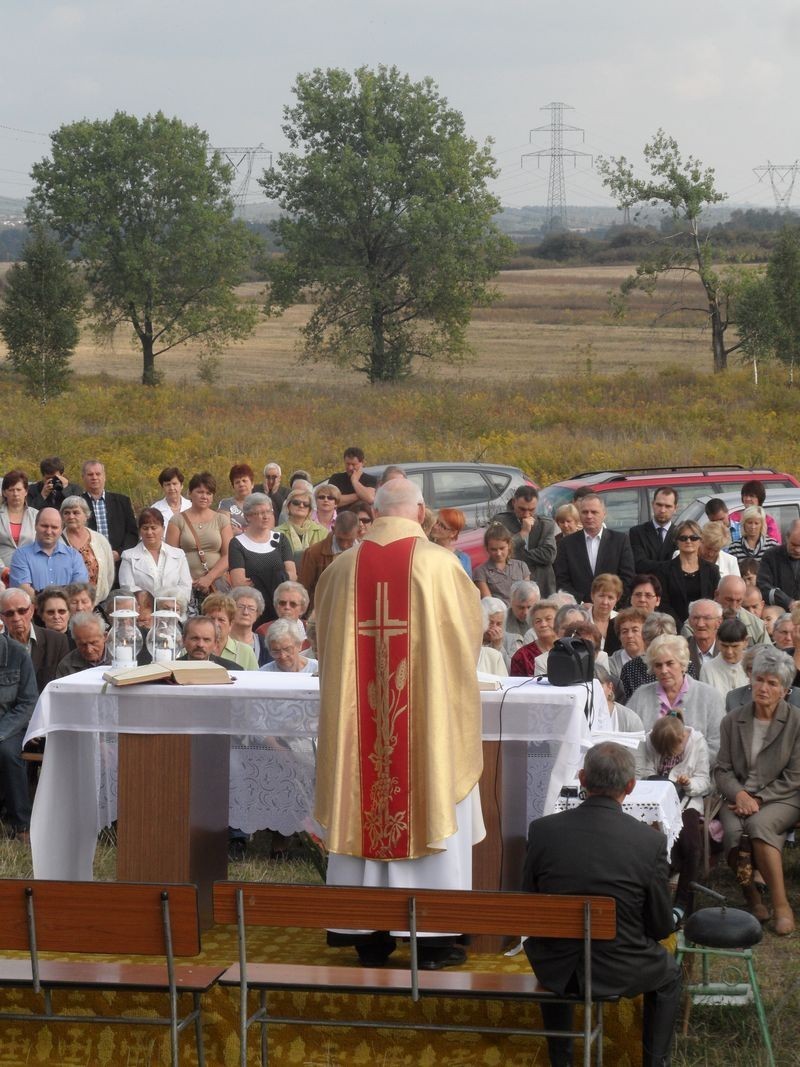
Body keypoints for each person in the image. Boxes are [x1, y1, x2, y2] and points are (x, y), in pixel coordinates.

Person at [314, 477, 483, 970]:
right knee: (427, 790)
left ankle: (365, 935)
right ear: (420, 511)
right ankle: (430, 939)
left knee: (359, 792)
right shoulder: (440, 565)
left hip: (358, 724)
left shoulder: (342, 568)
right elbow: (464, 643)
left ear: (377, 511)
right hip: (423, 726)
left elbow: (325, 646)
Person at [522, 741, 680, 1067]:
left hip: (557, 969)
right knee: (669, 974)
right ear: (631, 786)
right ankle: (655, 1062)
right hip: (621, 967)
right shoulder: (649, 841)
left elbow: (530, 905)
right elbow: (661, 925)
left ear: (581, 778)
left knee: (554, 946)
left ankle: (561, 1060)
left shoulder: (543, 831)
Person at [715, 646, 800, 935]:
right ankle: (753, 898)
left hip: (783, 796)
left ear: (785, 690)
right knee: (733, 834)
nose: (763, 687)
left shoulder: (797, 722)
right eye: (759, 679)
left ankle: (781, 905)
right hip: (737, 796)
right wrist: (739, 794)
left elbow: (795, 775)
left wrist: (758, 798)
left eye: (772, 683)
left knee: (760, 826)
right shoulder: (732, 719)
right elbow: (722, 769)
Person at [638, 712, 711, 920]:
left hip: (687, 803)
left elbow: (705, 781)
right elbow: (644, 772)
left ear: (682, 740)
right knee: (656, 847)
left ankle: (682, 905)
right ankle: (652, 901)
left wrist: (688, 784)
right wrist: (662, 783)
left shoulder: (697, 742)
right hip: (656, 803)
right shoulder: (650, 740)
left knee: (692, 846)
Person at [628, 634, 725, 763]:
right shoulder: (640, 696)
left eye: (670, 663)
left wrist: (686, 769)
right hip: (648, 776)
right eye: (658, 665)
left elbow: (717, 745)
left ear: (682, 664)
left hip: (697, 776)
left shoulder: (710, 696)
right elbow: (630, 741)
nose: (664, 670)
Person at [165, 472, 233, 608]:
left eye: (208, 493)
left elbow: (228, 555)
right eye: (200, 492)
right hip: (186, 585)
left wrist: (209, 578)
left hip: (216, 583)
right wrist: (188, 580)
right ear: (190, 493)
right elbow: (171, 555)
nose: (204, 496)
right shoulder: (177, 520)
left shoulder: (221, 520)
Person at [227, 493, 296, 625]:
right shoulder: (237, 543)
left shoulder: (281, 539)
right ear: (248, 517)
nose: (265, 517)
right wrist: (276, 577)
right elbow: (239, 583)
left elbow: (292, 576)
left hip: (281, 606)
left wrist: (258, 579)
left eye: (268, 512)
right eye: (259, 513)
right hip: (254, 610)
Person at [554, 494, 634, 603]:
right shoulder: (566, 544)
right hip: (578, 611)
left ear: (604, 514)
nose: (589, 516)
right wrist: (582, 603)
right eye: (585, 512)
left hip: (612, 610)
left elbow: (627, 578)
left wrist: (610, 602)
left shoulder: (620, 541)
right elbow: (562, 581)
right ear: (579, 515)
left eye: (594, 512)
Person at [0, 625, 39, 843]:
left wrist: (1, 732)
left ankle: (21, 823)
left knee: (7, 753)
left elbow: (27, 703)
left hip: (12, 725)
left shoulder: (18, 654)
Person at [0, 586, 70, 694]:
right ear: (2, 617)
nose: (16, 618)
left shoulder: (57, 641)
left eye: (22, 611)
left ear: (32, 610)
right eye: (9, 614)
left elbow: (64, 685)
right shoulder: (2, 647)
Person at [651, 519, 720, 627]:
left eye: (693, 538)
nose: (688, 541)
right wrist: (681, 627)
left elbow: (716, 601)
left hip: (706, 627)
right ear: (676, 541)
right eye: (683, 538)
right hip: (674, 628)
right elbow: (663, 604)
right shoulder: (663, 570)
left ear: (700, 541)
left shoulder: (712, 570)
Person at [118, 507, 193, 606]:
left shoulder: (179, 555)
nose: (149, 532)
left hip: (173, 610)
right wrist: (149, 605)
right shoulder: (128, 556)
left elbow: (185, 587)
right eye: (145, 528)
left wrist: (168, 604)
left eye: (153, 528)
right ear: (140, 531)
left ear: (163, 529)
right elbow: (128, 588)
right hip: (143, 613)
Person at [492, 486, 557, 596]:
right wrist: (523, 534)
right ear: (514, 502)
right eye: (522, 509)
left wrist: (516, 555)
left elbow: (548, 555)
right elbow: (500, 552)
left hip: (541, 586)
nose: (526, 514)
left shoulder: (546, 524)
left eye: (531, 510)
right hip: (510, 585)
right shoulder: (501, 521)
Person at [9, 508, 88, 597]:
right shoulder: (21, 555)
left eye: (54, 527)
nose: (49, 531)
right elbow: (23, 592)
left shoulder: (74, 556)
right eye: (44, 526)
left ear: (61, 529)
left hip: (67, 611)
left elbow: (79, 591)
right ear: (35, 526)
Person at [299, 511, 359, 612]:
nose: (344, 545)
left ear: (358, 532)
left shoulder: (364, 553)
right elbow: (303, 588)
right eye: (340, 539)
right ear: (333, 529)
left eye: (349, 540)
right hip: (323, 611)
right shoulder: (314, 553)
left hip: (353, 610)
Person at [80, 459, 137, 564]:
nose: (94, 477)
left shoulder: (122, 502)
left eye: (98, 474)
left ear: (104, 477)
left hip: (119, 563)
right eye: (90, 474)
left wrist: (120, 552)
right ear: (83, 477)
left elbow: (132, 533)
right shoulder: (77, 504)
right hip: (88, 563)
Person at [60, 496, 115, 604]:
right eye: (66, 513)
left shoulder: (100, 540)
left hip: (97, 605)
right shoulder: (57, 543)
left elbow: (109, 573)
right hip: (67, 607)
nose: (71, 516)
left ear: (86, 515)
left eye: (76, 512)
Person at [473, 523, 530, 604]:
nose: (498, 553)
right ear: (487, 548)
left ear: (509, 545)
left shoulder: (521, 566)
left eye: (502, 548)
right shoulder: (480, 572)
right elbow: (489, 603)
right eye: (493, 549)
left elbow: (527, 596)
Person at [200, 593, 259, 670]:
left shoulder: (246, 652)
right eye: (211, 619)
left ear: (231, 624)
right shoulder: (192, 649)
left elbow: (254, 680)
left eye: (221, 620)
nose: (215, 624)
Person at [628, 487, 679, 571]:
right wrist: (671, 565)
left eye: (668, 506)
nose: (662, 510)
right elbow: (639, 564)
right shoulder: (637, 533)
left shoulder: (681, 534)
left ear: (675, 508)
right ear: (653, 504)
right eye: (659, 505)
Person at [275, 487, 328, 566]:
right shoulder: (276, 532)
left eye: (306, 504)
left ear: (310, 510)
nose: (301, 506)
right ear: (288, 506)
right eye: (296, 502)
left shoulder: (323, 531)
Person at [699, 617, 749, 697]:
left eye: (735, 646)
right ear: (717, 640)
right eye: (724, 646)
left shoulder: (754, 666)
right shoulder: (708, 669)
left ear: (746, 642)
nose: (729, 652)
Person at [757, 518, 800, 610]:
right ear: (787, 537)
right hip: (779, 614)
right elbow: (763, 586)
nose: (797, 550)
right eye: (794, 545)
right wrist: (788, 602)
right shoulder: (771, 556)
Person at [509, 598, 557, 676]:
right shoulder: (522, 656)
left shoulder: (569, 649)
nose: (543, 624)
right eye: (538, 621)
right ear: (533, 626)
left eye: (548, 619)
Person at [0, 470, 37, 568]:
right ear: (4, 492)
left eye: (19, 489)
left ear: (26, 491)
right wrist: (2, 569)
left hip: (31, 569)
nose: (15, 494)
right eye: (11, 490)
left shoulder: (36, 515)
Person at [55, 612, 111, 676]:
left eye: (93, 643)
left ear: (105, 636)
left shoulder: (120, 659)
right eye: (82, 645)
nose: (89, 650)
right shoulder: (66, 666)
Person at [229, 586, 270, 666]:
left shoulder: (265, 645)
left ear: (257, 613)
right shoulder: (221, 641)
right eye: (240, 607)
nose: (245, 612)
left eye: (251, 608)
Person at [607, 607, 647, 684]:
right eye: (624, 631)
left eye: (635, 630)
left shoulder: (655, 659)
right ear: (619, 636)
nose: (629, 635)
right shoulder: (611, 664)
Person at [429, 508, 472, 576]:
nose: (435, 526)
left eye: (442, 526)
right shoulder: (425, 550)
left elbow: (465, 585)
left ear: (453, 533)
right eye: (436, 522)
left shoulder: (462, 559)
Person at [587, 572, 622, 653]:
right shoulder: (581, 618)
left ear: (617, 599)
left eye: (610, 597)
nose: (605, 602)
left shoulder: (621, 621)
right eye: (601, 596)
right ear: (592, 595)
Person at [218, 463, 256, 534]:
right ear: (233, 486)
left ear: (252, 484)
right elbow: (225, 530)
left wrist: (241, 531)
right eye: (237, 482)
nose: (241, 484)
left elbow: (267, 528)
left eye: (244, 480)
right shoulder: (225, 504)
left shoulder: (262, 503)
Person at [478, 596, 509, 675]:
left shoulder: (511, 641)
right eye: (491, 622)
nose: (495, 627)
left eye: (499, 624)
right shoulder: (474, 640)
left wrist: (498, 646)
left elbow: (508, 672)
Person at [504, 579, 540, 650]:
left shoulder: (545, 620)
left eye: (529, 607)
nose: (525, 612)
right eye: (521, 607)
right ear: (511, 602)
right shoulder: (501, 620)